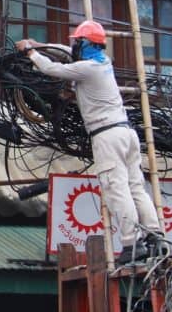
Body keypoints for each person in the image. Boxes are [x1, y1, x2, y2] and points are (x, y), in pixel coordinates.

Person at [17, 20, 162, 264]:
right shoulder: (103, 64)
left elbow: (52, 68)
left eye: (77, 42)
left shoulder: (88, 67)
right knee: (135, 186)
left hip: (107, 135)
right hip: (126, 132)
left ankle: (131, 243)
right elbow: (64, 51)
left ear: (84, 44)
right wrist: (40, 44)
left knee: (116, 188)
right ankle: (154, 235)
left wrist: (31, 51)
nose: (74, 46)